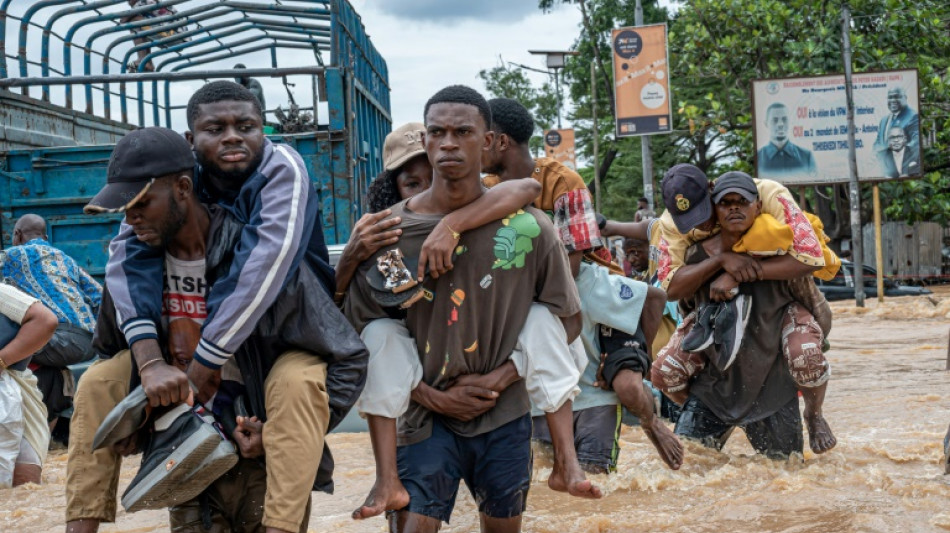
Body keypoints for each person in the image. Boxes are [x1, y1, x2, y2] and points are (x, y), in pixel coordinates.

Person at [70, 80, 346, 533]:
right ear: (191, 142)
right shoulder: (164, 190)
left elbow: (263, 270)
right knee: (97, 382)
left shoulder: (279, 169)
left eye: (246, 126)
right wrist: (150, 364)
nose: (232, 137)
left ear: (264, 130)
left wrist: (199, 375)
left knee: (296, 383)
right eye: (215, 129)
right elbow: (122, 255)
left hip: (281, 328)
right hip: (200, 353)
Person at [346, 85, 599, 533]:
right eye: (437, 132)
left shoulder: (529, 228)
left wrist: (500, 378)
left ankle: (567, 462)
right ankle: (386, 481)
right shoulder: (390, 235)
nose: (448, 143)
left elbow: (568, 322)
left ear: (488, 142)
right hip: (423, 416)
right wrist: (434, 397)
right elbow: (370, 333)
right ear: (426, 140)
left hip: (503, 412)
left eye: (462, 132)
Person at [650, 166, 837, 455]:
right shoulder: (686, 242)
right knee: (664, 372)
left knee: (806, 356)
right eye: (725, 204)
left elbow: (811, 259)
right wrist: (720, 261)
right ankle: (704, 410)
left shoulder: (776, 217)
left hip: (772, 367)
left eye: (741, 203)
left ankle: (814, 414)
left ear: (757, 206)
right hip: (714, 375)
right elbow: (670, 287)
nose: (733, 209)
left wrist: (741, 273)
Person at [532, 254, 683, 473]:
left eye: (570, 253)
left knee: (597, 481)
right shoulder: (520, 281)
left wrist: (643, 359)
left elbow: (654, 297)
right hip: (541, 403)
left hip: (594, 402)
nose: (563, 263)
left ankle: (650, 421)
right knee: (543, 480)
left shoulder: (590, 279)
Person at [482, 97, 606, 276]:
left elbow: (570, 269)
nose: (473, 149)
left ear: (502, 142)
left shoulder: (564, 183)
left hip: (582, 281)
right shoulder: (486, 186)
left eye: (483, 141)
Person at [1, 214, 101, 424]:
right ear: (45, 237)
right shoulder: (67, 261)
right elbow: (100, 296)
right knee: (42, 365)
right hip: (88, 343)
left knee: (13, 338)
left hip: (59, 338)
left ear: (17, 235)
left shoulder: (12, 255)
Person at [0, 283, 57, 487]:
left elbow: (45, 321)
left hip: (15, 393)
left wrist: (2, 361)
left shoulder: (3, 295)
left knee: (24, 485)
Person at [756, 102, 817, 178]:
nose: (780, 124)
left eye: (784, 119)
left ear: (790, 122)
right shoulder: (758, 158)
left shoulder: (806, 157)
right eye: (775, 120)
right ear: (766, 124)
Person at [873, 87, 919, 155]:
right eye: (890, 97)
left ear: (905, 98)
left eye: (896, 97)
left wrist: (898, 157)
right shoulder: (884, 120)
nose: (893, 100)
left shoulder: (913, 116)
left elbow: (915, 143)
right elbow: (878, 143)